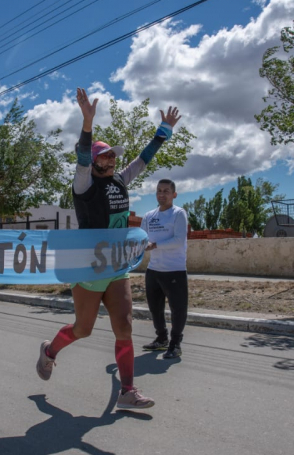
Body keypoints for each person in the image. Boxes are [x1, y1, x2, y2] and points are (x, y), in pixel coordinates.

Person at [36, 88, 181, 409]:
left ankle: (127, 391)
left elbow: (143, 160)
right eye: (106, 155)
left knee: (124, 326)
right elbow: (83, 157)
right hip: (88, 267)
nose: (112, 159)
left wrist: (164, 131)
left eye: (114, 155)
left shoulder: (120, 181)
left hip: (116, 266)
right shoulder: (83, 183)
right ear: (94, 161)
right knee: (82, 329)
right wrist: (87, 123)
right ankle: (49, 351)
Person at [140, 179, 189, 359]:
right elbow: (141, 238)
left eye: (166, 191)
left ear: (174, 194)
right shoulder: (149, 216)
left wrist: (154, 245)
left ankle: (176, 344)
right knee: (155, 308)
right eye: (159, 191)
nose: (162, 194)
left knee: (178, 309)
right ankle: (162, 339)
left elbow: (178, 240)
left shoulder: (178, 214)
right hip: (153, 270)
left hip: (174, 270)